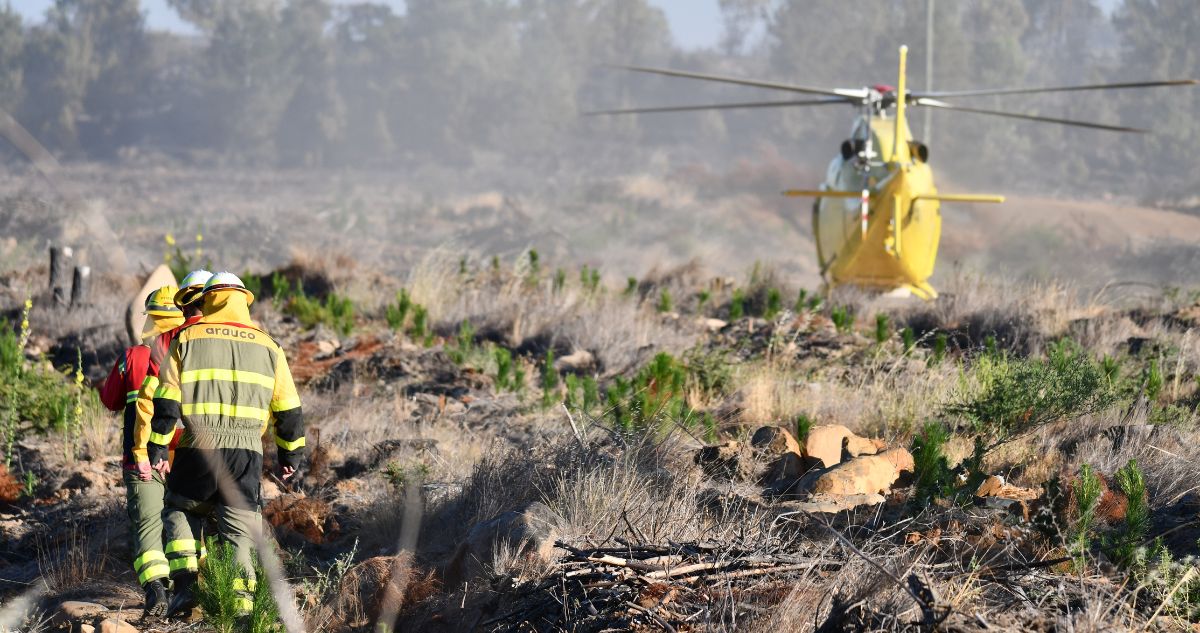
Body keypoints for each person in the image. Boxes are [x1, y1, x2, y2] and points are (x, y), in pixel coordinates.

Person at [148, 272, 305, 616]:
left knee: (180, 509)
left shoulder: (187, 337)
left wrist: (158, 446)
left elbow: (166, 399)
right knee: (240, 529)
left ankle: (185, 587)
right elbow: (289, 409)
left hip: (196, 447)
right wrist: (290, 455)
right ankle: (242, 608)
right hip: (247, 453)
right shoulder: (270, 346)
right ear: (242, 300)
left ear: (208, 299)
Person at [98, 286, 185, 617]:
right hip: (186, 458)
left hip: (142, 459)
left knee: (147, 524)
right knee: (185, 525)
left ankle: (155, 589)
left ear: (151, 320)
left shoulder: (133, 357)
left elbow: (109, 400)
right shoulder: (194, 353)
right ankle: (187, 592)